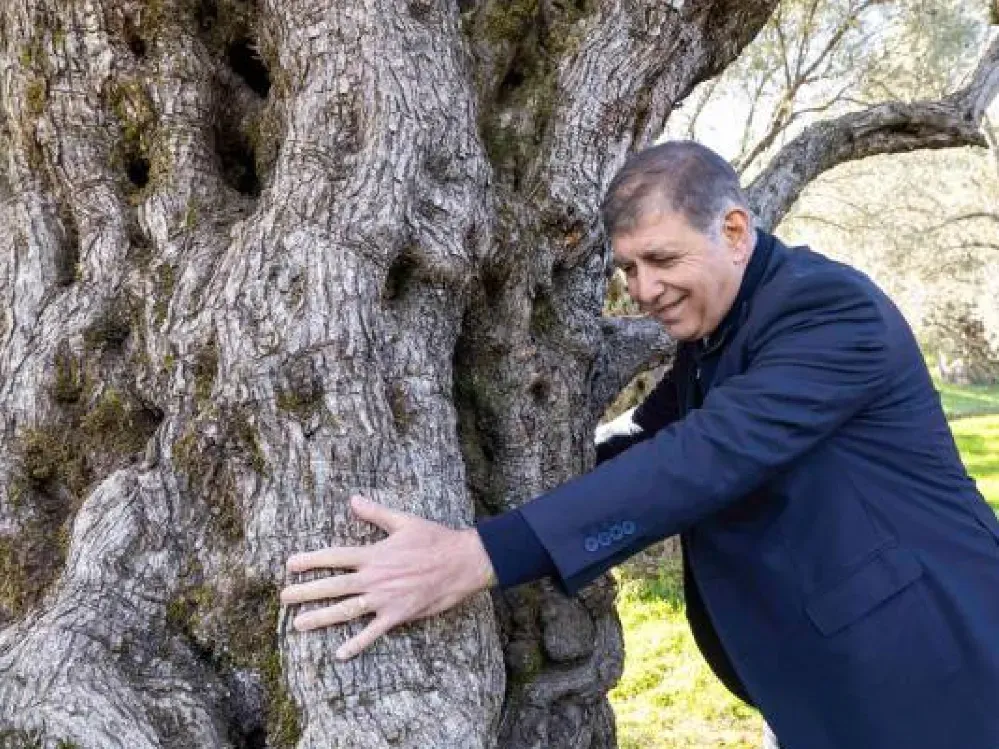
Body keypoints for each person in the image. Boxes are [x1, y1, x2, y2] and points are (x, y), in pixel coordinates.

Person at [280, 142, 999, 749]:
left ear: (736, 231)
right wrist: (520, 475)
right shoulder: (723, 328)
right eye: (626, 268)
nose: (643, 289)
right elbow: (646, 435)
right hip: (839, 670)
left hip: (934, 664)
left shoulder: (826, 313)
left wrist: (474, 555)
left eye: (660, 258)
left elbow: (702, 456)